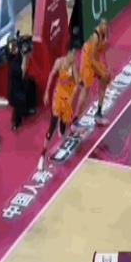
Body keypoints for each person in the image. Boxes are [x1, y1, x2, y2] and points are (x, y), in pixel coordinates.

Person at [38, 40, 82, 171]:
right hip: (58, 97)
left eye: (77, 54)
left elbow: (77, 82)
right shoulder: (59, 62)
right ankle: (42, 155)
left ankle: (62, 130)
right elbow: (51, 75)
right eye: (75, 54)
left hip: (67, 99)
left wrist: (73, 94)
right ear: (69, 52)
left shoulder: (74, 66)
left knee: (63, 127)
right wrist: (47, 92)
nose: (76, 56)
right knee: (52, 126)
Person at [73, 20, 111, 129]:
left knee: (104, 80)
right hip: (87, 61)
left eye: (107, 28)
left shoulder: (105, 35)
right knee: (86, 89)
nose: (106, 30)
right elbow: (92, 60)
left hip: (95, 60)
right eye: (104, 27)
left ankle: (98, 113)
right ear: (100, 27)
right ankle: (74, 122)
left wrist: (106, 69)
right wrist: (102, 72)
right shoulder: (95, 37)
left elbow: (103, 54)